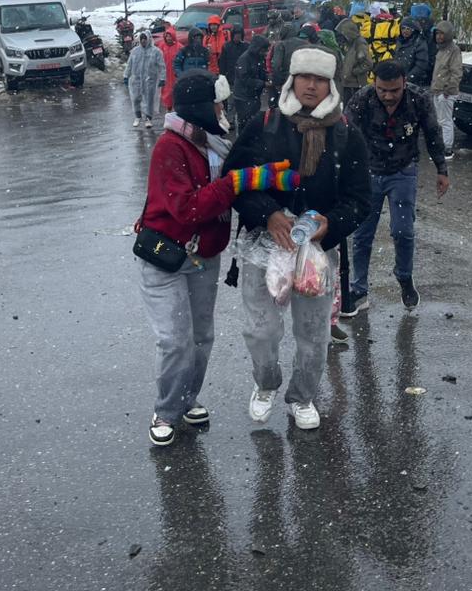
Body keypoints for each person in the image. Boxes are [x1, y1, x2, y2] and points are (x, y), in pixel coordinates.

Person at [135, 70, 301, 446]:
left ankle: (185, 398)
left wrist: (272, 183)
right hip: (165, 258)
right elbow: (188, 208)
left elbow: (235, 183)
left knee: (200, 338)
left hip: (202, 257)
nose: (222, 111)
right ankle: (165, 411)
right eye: (217, 105)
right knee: (175, 339)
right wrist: (243, 180)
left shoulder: (211, 143)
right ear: (200, 108)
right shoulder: (170, 147)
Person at [224, 47, 371, 430]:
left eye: (320, 79)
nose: (311, 85)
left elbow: (360, 199)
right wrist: (268, 213)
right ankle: (266, 383)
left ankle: (302, 397)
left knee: (313, 334)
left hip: (317, 252)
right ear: (291, 80)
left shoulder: (346, 134)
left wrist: (330, 224)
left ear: (331, 85)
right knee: (261, 330)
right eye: (305, 76)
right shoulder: (264, 124)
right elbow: (233, 180)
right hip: (264, 246)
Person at [345, 59, 450, 315]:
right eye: (382, 90)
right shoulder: (362, 99)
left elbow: (433, 133)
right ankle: (359, 289)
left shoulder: (418, 99)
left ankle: (404, 276)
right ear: (374, 84)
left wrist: (441, 169)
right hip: (368, 173)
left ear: (404, 82)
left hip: (403, 171)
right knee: (362, 235)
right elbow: (345, 135)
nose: (388, 96)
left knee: (403, 231)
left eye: (394, 90)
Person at [429, 20, 463, 159]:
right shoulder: (441, 50)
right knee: (439, 120)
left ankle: (447, 148)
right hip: (437, 90)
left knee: (445, 121)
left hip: (446, 92)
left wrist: (448, 90)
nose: (439, 36)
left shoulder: (453, 50)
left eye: (442, 34)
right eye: (437, 33)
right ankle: (441, 146)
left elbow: (456, 72)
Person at [125, 30, 166, 129]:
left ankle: (148, 118)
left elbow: (162, 66)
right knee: (135, 98)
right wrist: (126, 75)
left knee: (149, 100)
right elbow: (129, 64)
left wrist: (162, 78)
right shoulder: (135, 51)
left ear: (149, 39)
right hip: (136, 79)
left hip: (150, 80)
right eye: (141, 38)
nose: (143, 41)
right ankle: (138, 116)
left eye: (145, 38)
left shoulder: (156, 52)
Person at [269, 23, 321, 95]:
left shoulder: (281, 45)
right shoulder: (307, 44)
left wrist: (277, 82)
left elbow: (276, 65)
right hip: (302, 78)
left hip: (285, 79)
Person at [232, 35, 270, 127]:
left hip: (253, 96)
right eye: (263, 50)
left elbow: (261, 72)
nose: (265, 53)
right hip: (243, 96)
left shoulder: (258, 57)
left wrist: (268, 78)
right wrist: (263, 83)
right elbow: (245, 79)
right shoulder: (244, 59)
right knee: (246, 124)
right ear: (257, 48)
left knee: (254, 121)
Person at [335, 17, 373, 103]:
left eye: (344, 33)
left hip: (355, 85)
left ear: (349, 32)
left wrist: (354, 71)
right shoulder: (349, 43)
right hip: (348, 83)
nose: (342, 36)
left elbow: (368, 63)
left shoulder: (360, 43)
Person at [396, 21, 431, 90]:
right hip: (400, 80)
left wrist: (408, 78)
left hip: (415, 82)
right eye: (403, 28)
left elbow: (421, 64)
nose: (405, 31)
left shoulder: (419, 42)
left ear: (413, 30)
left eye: (408, 29)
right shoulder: (399, 41)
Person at [156, 27, 182, 111]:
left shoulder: (179, 47)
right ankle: (168, 108)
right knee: (166, 92)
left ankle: (176, 109)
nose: (168, 38)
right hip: (165, 73)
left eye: (170, 36)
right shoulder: (162, 46)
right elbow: (156, 58)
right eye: (167, 36)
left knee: (176, 90)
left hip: (175, 73)